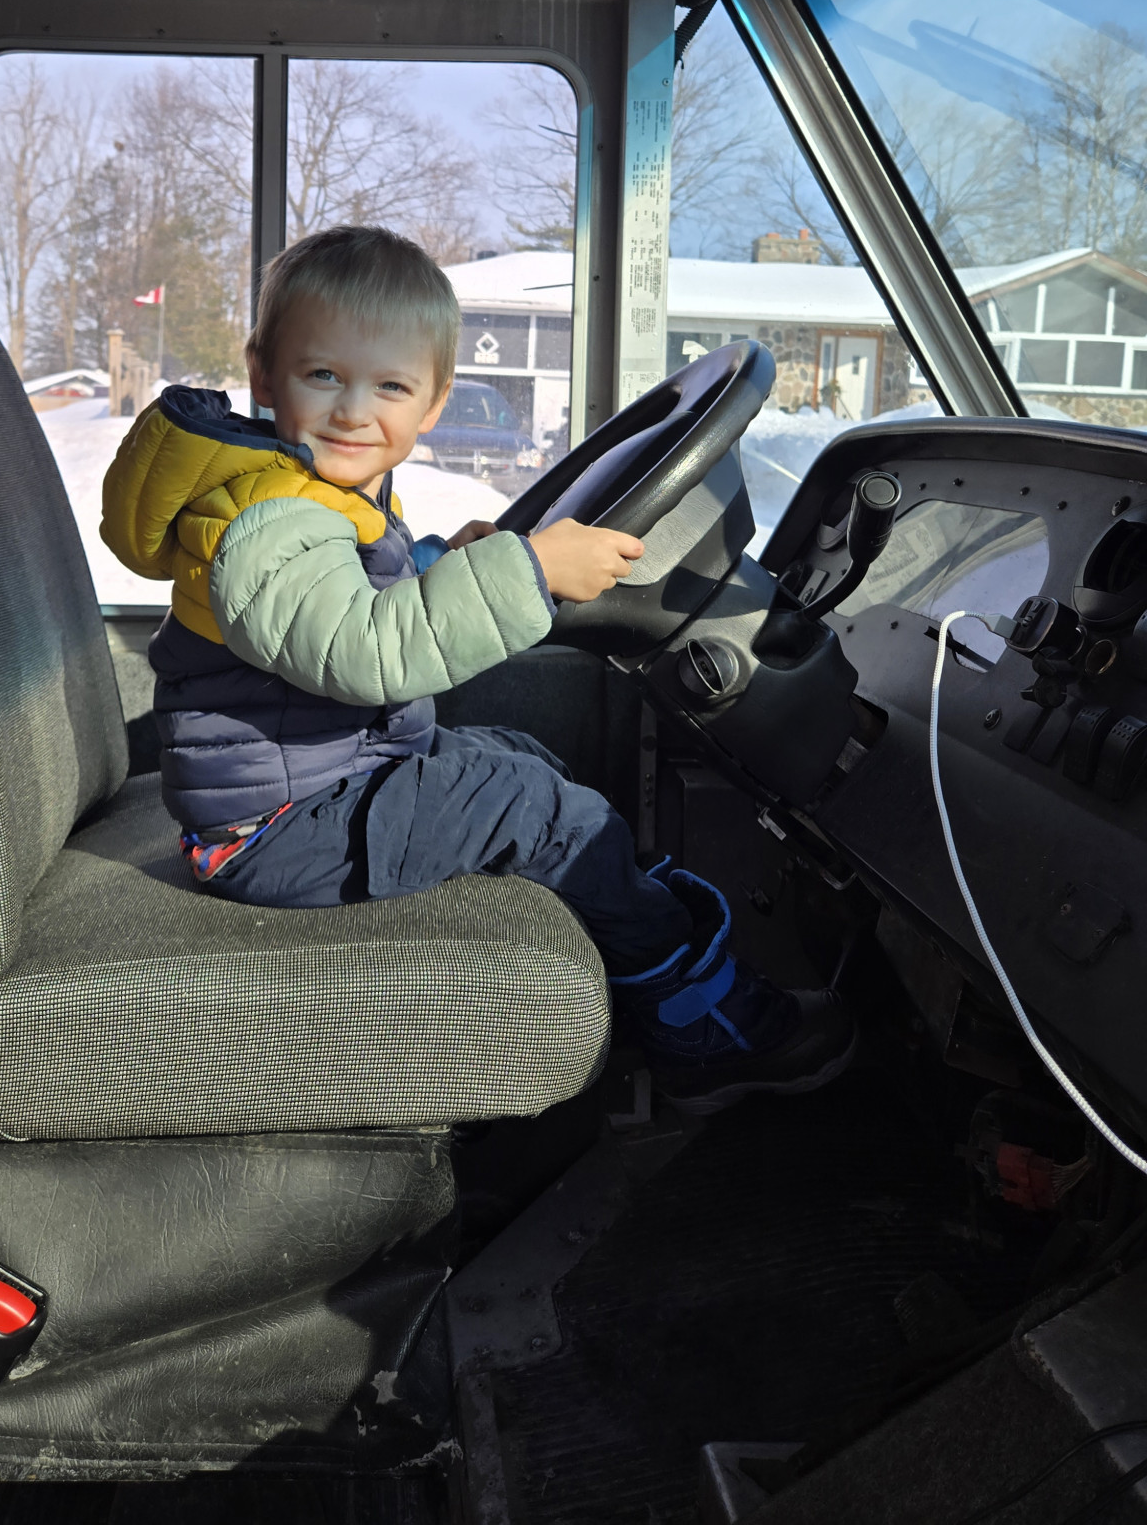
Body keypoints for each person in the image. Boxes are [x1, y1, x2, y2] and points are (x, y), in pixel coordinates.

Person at [101, 226, 854, 1113]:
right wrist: (526, 571)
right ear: (264, 376)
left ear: (433, 402)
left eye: (389, 386)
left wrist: (437, 561)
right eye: (323, 376)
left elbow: (342, 592)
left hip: (319, 783)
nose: (353, 411)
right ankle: (704, 1024)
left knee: (521, 758)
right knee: (540, 807)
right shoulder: (268, 518)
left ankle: (626, 920)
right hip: (277, 829)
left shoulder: (311, 492)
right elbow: (366, 649)